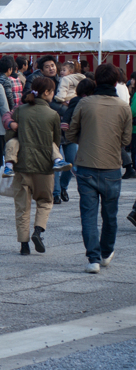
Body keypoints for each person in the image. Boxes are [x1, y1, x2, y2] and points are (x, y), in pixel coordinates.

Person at [65, 64, 133, 274]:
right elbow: (126, 139)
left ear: (95, 81)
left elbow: (70, 134)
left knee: (88, 214)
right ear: (116, 82)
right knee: (110, 215)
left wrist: (85, 140)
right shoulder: (123, 107)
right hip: (112, 167)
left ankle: (93, 258)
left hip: (86, 165)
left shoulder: (84, 103)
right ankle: (106, 252)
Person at [8, 77, 62, 256]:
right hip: (44, 166)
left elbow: (10, 133)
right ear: (46, 93)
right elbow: (56, 142)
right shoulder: (53, 114)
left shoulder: (21, 110)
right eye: (52, 91)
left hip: (22, 165)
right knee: (45, 201)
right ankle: (38, 231)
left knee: (22, 207)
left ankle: (24, 245)